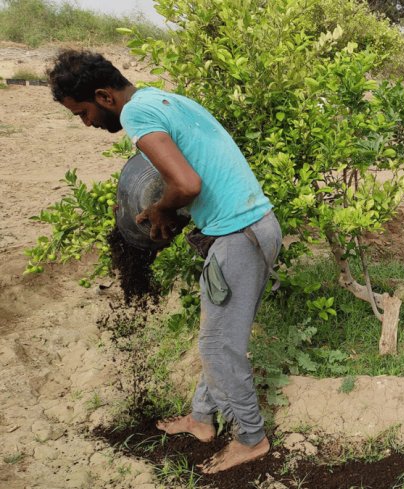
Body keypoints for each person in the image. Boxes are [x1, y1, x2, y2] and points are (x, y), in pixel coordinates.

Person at [47, 50, 282, 473]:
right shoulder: (162, 98)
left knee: (218, 345)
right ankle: (201, 419)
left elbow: (186, 183)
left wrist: (160, 211)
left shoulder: (137, 115)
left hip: (239, 236)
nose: (86, 124)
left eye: (82, 113)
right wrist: (170, 209)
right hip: (248, 227)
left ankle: (251, 438)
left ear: (103, 97)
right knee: (215, 333)